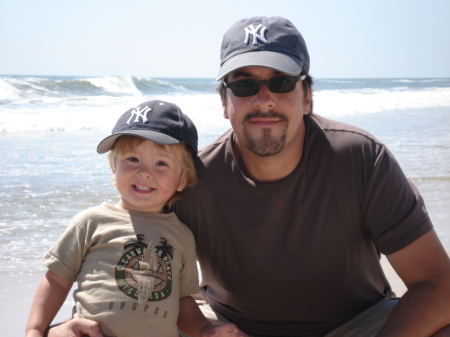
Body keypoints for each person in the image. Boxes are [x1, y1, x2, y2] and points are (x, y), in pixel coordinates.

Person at [47, 16, 450, 337]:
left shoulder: (361, 158)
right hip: (229, 329)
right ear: (224, 101)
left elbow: (438, 284)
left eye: (280, 81)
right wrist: (63, 325)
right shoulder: (192, 179)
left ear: (307, 95)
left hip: (358, 323)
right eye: (244, 84)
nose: (263, 99)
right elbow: (121, 256)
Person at [25, 100, 242, 337]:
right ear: (113, 166)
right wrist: (35, 330)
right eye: (132, 159)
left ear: (182, 180)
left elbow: (183, 299)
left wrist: (204, 330)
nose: (144, 172)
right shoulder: (91, 222)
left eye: (161, 163)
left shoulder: (181, 235)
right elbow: (57, 280)